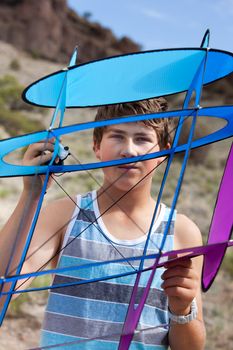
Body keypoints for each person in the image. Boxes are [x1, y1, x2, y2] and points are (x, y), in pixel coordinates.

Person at [0, 98, 206, 349]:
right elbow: (5, 285)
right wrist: (31, 196)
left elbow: (190, 346)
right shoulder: (66, 215)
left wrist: (182, 308)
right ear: (96, 146)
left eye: (142, 139)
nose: (129, 150)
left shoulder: (182, 232)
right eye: (117, 136)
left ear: (164, 152)